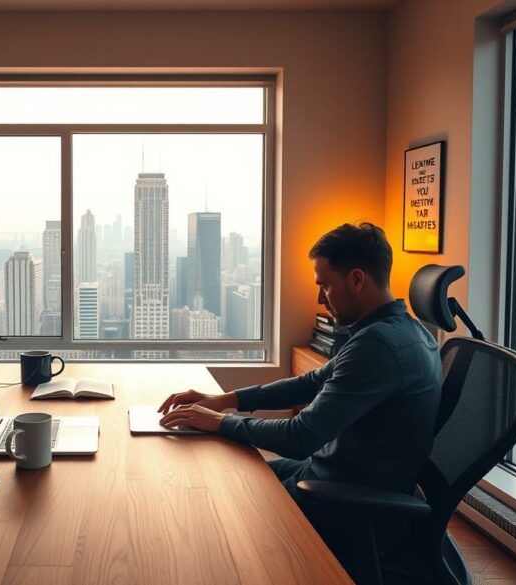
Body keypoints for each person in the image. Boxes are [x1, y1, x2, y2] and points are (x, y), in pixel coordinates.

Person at [158, 222, 441, 568]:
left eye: (325, 285)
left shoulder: (378, 347)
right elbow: (310, 382)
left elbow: (301, 436)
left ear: (356, 279)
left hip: (346, 504)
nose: (320, 298)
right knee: (234, 475)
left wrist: (221, 422)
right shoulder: (406, 332)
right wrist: (227, 399)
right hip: (337, 478)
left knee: (222, 509)